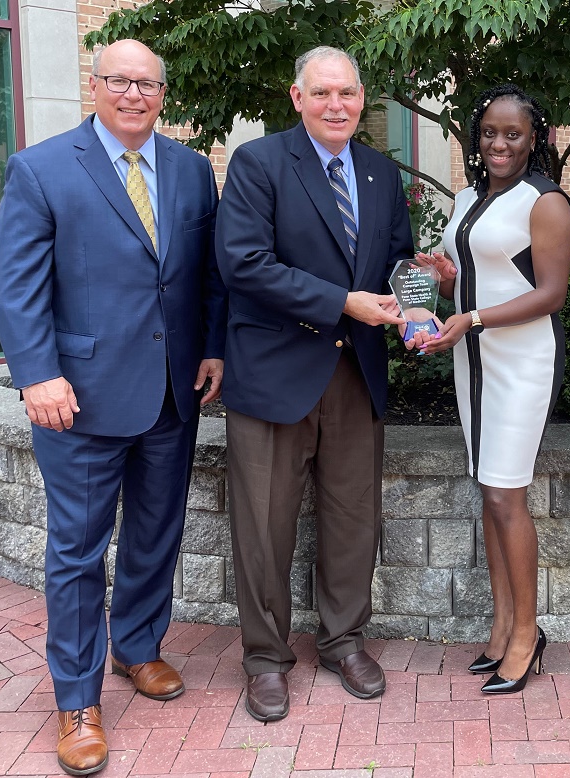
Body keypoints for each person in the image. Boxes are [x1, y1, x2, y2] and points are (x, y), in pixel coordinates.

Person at [0, 39, 226, 776]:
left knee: (157, 533)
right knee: (78, 554)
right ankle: (77, 698)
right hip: (79, 401)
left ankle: (139, 648)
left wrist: (212, 347)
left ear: (163, 92)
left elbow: (207, 277)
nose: (133, 94)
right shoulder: (43, 168)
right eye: (119, 80)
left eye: (147, 83)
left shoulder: (190, 171)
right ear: (95, 85)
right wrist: (36, 375)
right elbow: (15, 281)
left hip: (171, 391)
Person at [215, 45, 411, 722]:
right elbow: (243, 263)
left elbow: (393, 261)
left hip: (355, 372)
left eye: (348, 94)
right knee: (264, 527)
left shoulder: (381, 173)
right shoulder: (259, 163)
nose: (337, 105)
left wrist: (416, 287)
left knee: (355, 520)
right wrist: (341, 302)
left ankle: (344, 640)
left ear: (363, 99)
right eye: (322, 93)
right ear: (297, 98)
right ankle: (265, 659)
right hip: (274, 374)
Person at [414, 84, 570, 695]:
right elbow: (485, 277)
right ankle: (503, 622)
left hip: (523, 360)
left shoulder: (545, 200)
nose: (499, 142)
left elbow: (551, 293)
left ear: (536, 137)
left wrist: (472, 318)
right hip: (472, 359)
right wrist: (452, 283)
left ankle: (528, 634)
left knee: (508, 495)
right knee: (490, 492)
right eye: (489, 132)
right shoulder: (471, 197)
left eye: (513, 133)